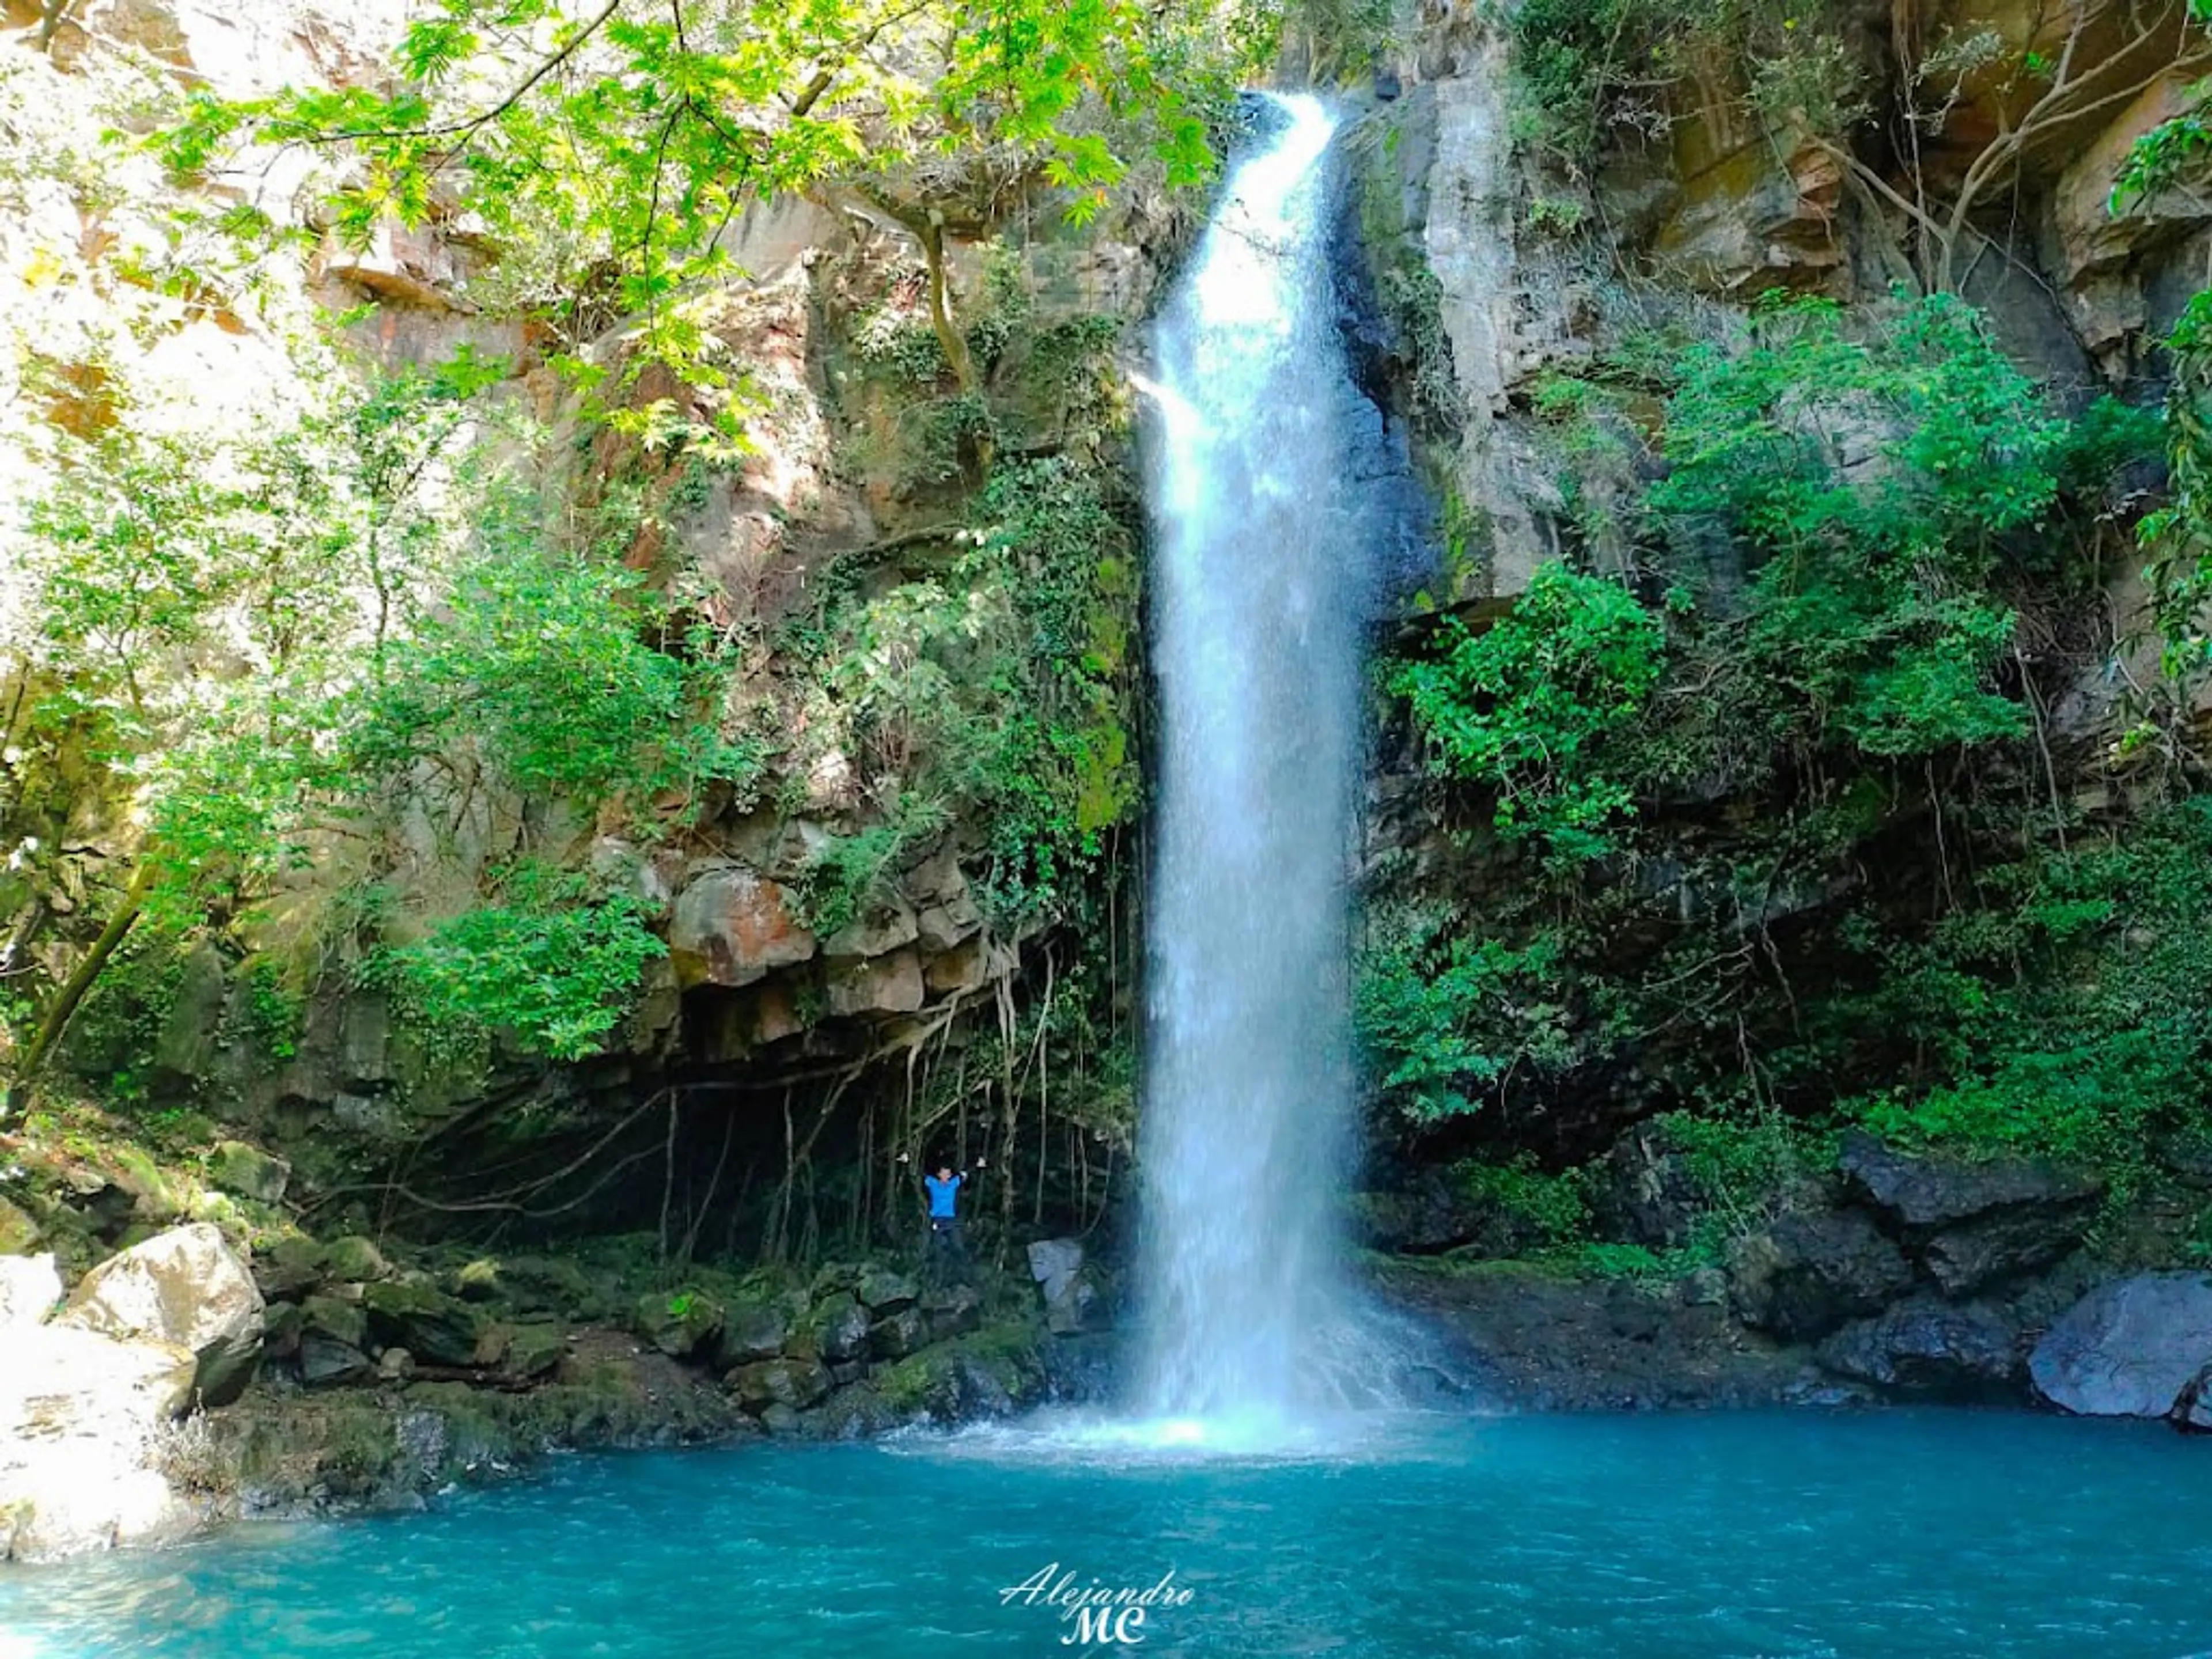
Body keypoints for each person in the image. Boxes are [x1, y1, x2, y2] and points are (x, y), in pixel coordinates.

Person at [901, 1151, 983, 1279]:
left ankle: (964, 1275)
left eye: (948, 1174)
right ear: (939, 1175)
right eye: (944, 1173)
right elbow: (918, 1174)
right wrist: (908, 1162)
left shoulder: (953, 1183)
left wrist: (978, 1165)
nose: (946, 1176)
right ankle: (938, 1278)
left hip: (951, 1220)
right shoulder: (933, 1183)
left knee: (958, 1247)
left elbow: (967, 1173)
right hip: (937, 1220)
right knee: (938, 1249)